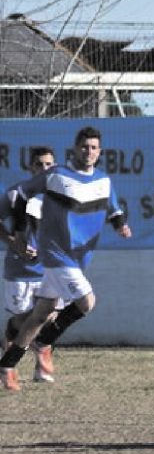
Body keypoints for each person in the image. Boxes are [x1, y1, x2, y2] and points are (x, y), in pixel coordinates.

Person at [0, 128, 132, 391]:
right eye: (84, 146)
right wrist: (16, 235)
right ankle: (44, 342)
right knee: (87, 301)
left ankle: (7, 363)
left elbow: (114, 208)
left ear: (100, 151)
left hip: (77, 258)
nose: (89, 151)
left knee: (40, 315)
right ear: (75, 148)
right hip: (55, 256)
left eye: (94, 147)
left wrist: (120, 225)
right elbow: (22, 195)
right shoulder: (57, 175)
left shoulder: (103, 181)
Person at [0, 146, 60, 384]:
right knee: (24, 320)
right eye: (39, 164)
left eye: (48, 164)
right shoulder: (15, 194)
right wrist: (13, 242)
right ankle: (8, 355)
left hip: (50, 269)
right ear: (30, 167)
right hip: (20, 271)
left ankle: (41, 367)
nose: (44, 169)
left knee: (51, 315)